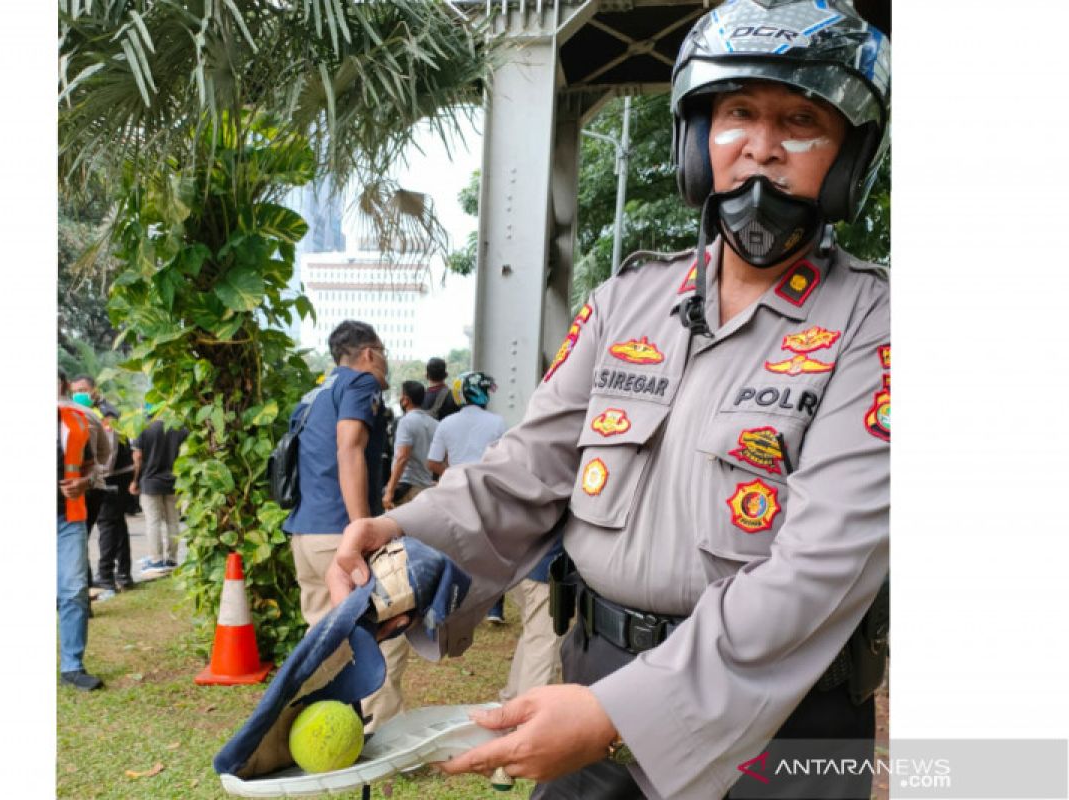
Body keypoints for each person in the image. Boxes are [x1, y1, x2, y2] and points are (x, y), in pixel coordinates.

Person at [327, 2, 891, 797]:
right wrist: (399, 535)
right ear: (697, 139)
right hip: (589, 676)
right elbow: (528, 469)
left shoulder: (877, 324)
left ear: (849, 152)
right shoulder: (628, 299)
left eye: (801, 121)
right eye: (737, 114)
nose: (761, 148)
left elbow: (819, 570)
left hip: (781, 720)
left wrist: (621, 714)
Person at [282, 320, 406, 732]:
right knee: (385, 632)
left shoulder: (312, 395)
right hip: (342, 534)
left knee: (324, 641)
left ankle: (328, 729)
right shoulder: (360, 383)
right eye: (383, 351)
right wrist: (361, 529)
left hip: (306, 535)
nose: (385, 361)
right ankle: (380, 735)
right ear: (369, 353)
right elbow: (349, 447)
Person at [426, 371, 509, 623]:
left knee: (454, 548)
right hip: (487, 490)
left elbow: (432, 462)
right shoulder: (497, 422)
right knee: (493, 550)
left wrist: (451, 471)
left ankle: (451, 605)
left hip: (454, 492)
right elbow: (503, 459)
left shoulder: (446, 423)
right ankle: (493, 609)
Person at [57, 370, 103, 691]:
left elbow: (95, 464)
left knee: (73, 589)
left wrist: (83, 482)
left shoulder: (77, 420)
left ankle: (72, 666)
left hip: (68, 518)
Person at [70, 375, 134, 595]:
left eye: (83, 389)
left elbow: (110, 449)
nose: (78, 393)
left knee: (107, 524)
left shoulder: (107, 412)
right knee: (117, 525)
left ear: (94, 389)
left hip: (114, 474)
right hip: (109, 472)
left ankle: (105, 576)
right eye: (75, 390)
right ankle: (124, 574)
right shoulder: (90, 410)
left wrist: (99, 477)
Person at [129, 414, 188, 579]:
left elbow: (138, 458)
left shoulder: (145, 428)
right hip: (174, 482)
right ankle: (171, 559)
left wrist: (134, 481)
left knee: (153, 522)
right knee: (173, 521)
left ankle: (156, 560)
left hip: (150, 482)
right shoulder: (181, 429)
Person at [382, 380, 438, 511]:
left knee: (400, 529)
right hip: (426, 488)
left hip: (406, 489)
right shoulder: (435, 424)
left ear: (405, 400)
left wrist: (389, 491)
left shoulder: (406, 422)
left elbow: (402, 457)